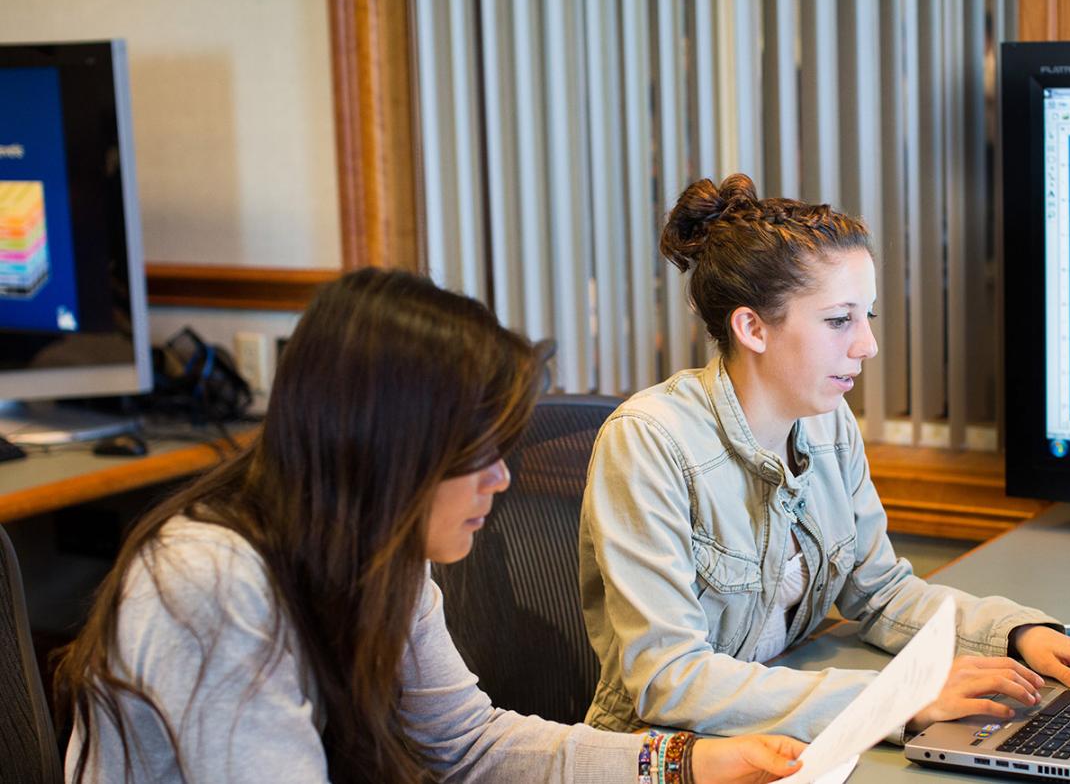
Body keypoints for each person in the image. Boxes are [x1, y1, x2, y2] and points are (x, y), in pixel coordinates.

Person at [53, 268, 804, 783]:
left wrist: (687, 764)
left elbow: (465, 745)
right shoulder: (211, 580)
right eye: (477, 454)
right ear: (394, 451)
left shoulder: (377, 550)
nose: (501, 479)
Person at [579, 174, 1070, 743]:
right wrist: (895, 698)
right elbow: (668, 680)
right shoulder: (648, 442)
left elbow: (882, 594)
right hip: (669, 753)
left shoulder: (827, 422)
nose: (868, 344)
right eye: (840, 320)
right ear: (752, 327)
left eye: (867, 316)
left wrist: (1018, 634)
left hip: (785, 737)